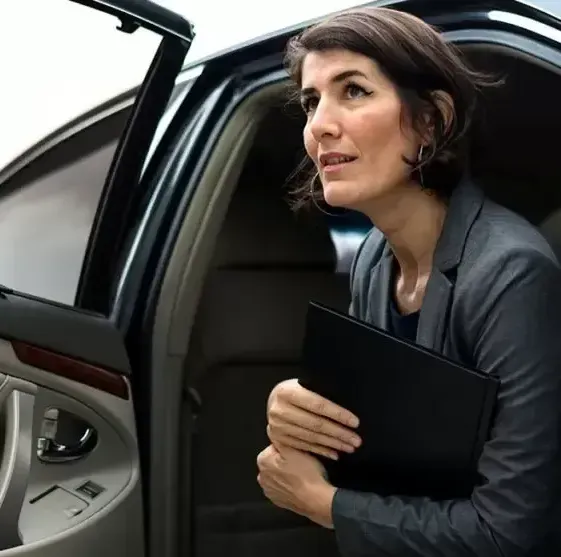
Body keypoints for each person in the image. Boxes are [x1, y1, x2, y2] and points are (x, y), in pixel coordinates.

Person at [256, 7, 561, 557]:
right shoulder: (376, 256)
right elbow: (382, 436)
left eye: (352, 91)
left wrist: (323, 505)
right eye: (310, 101)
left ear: (431, 121)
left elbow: (510, 533)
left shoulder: (512, 274)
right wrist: (294, 407)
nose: (320, 124)